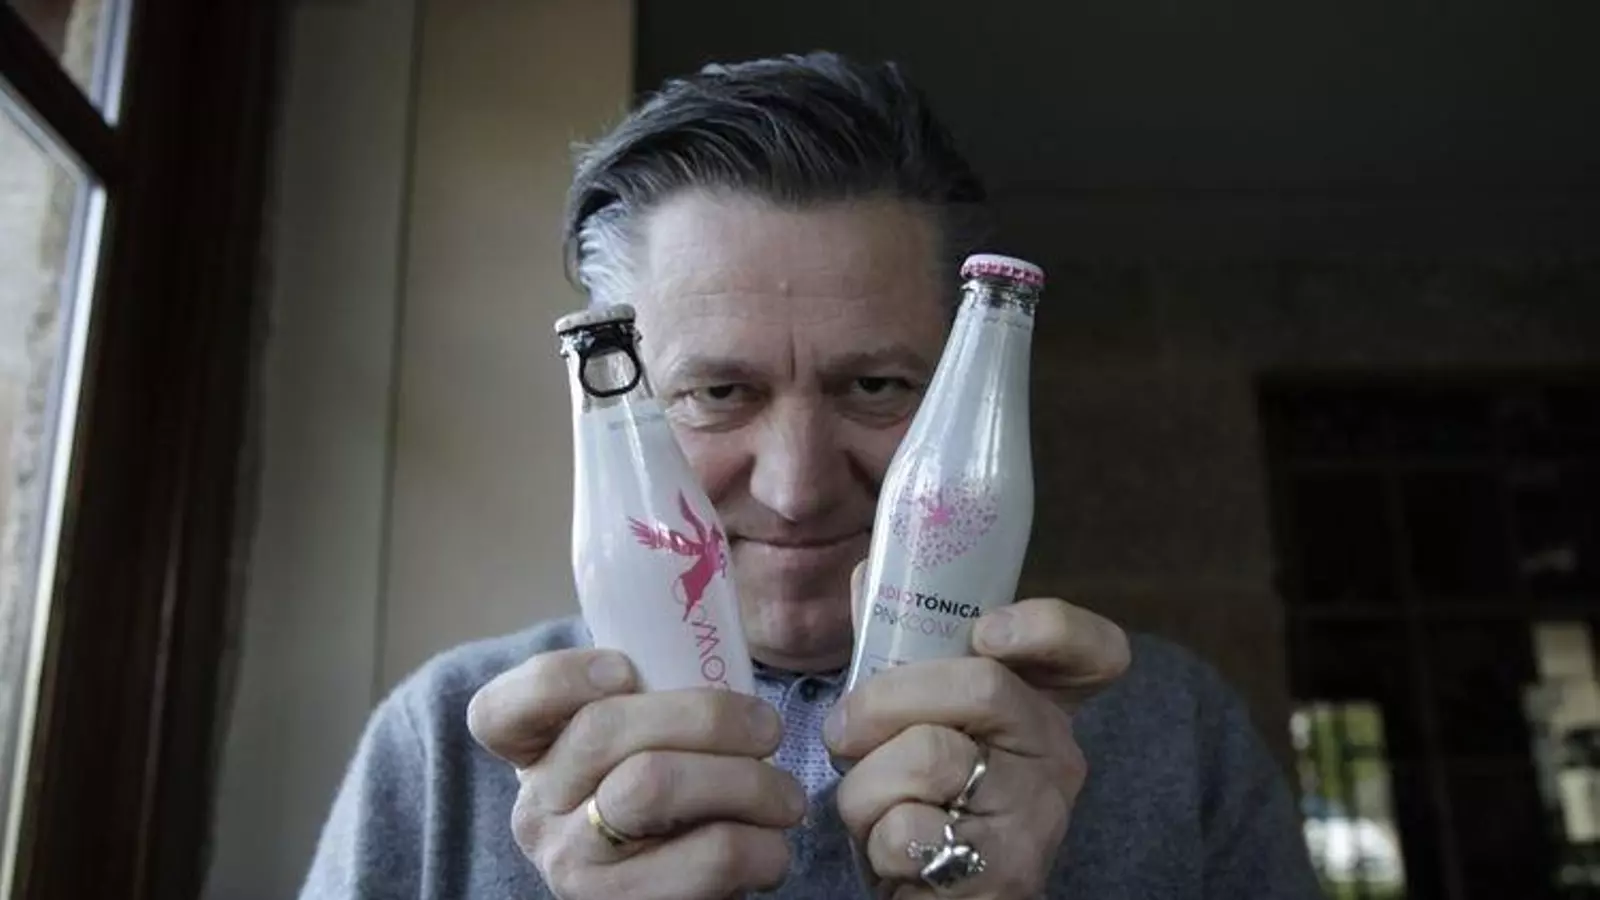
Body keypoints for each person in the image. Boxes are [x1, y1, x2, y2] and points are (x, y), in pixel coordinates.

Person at [299, 52, 1321, 899]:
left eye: (875, 386)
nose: (796, 490)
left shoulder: (1173, 735)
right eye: (717, 392)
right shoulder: (442, 749)